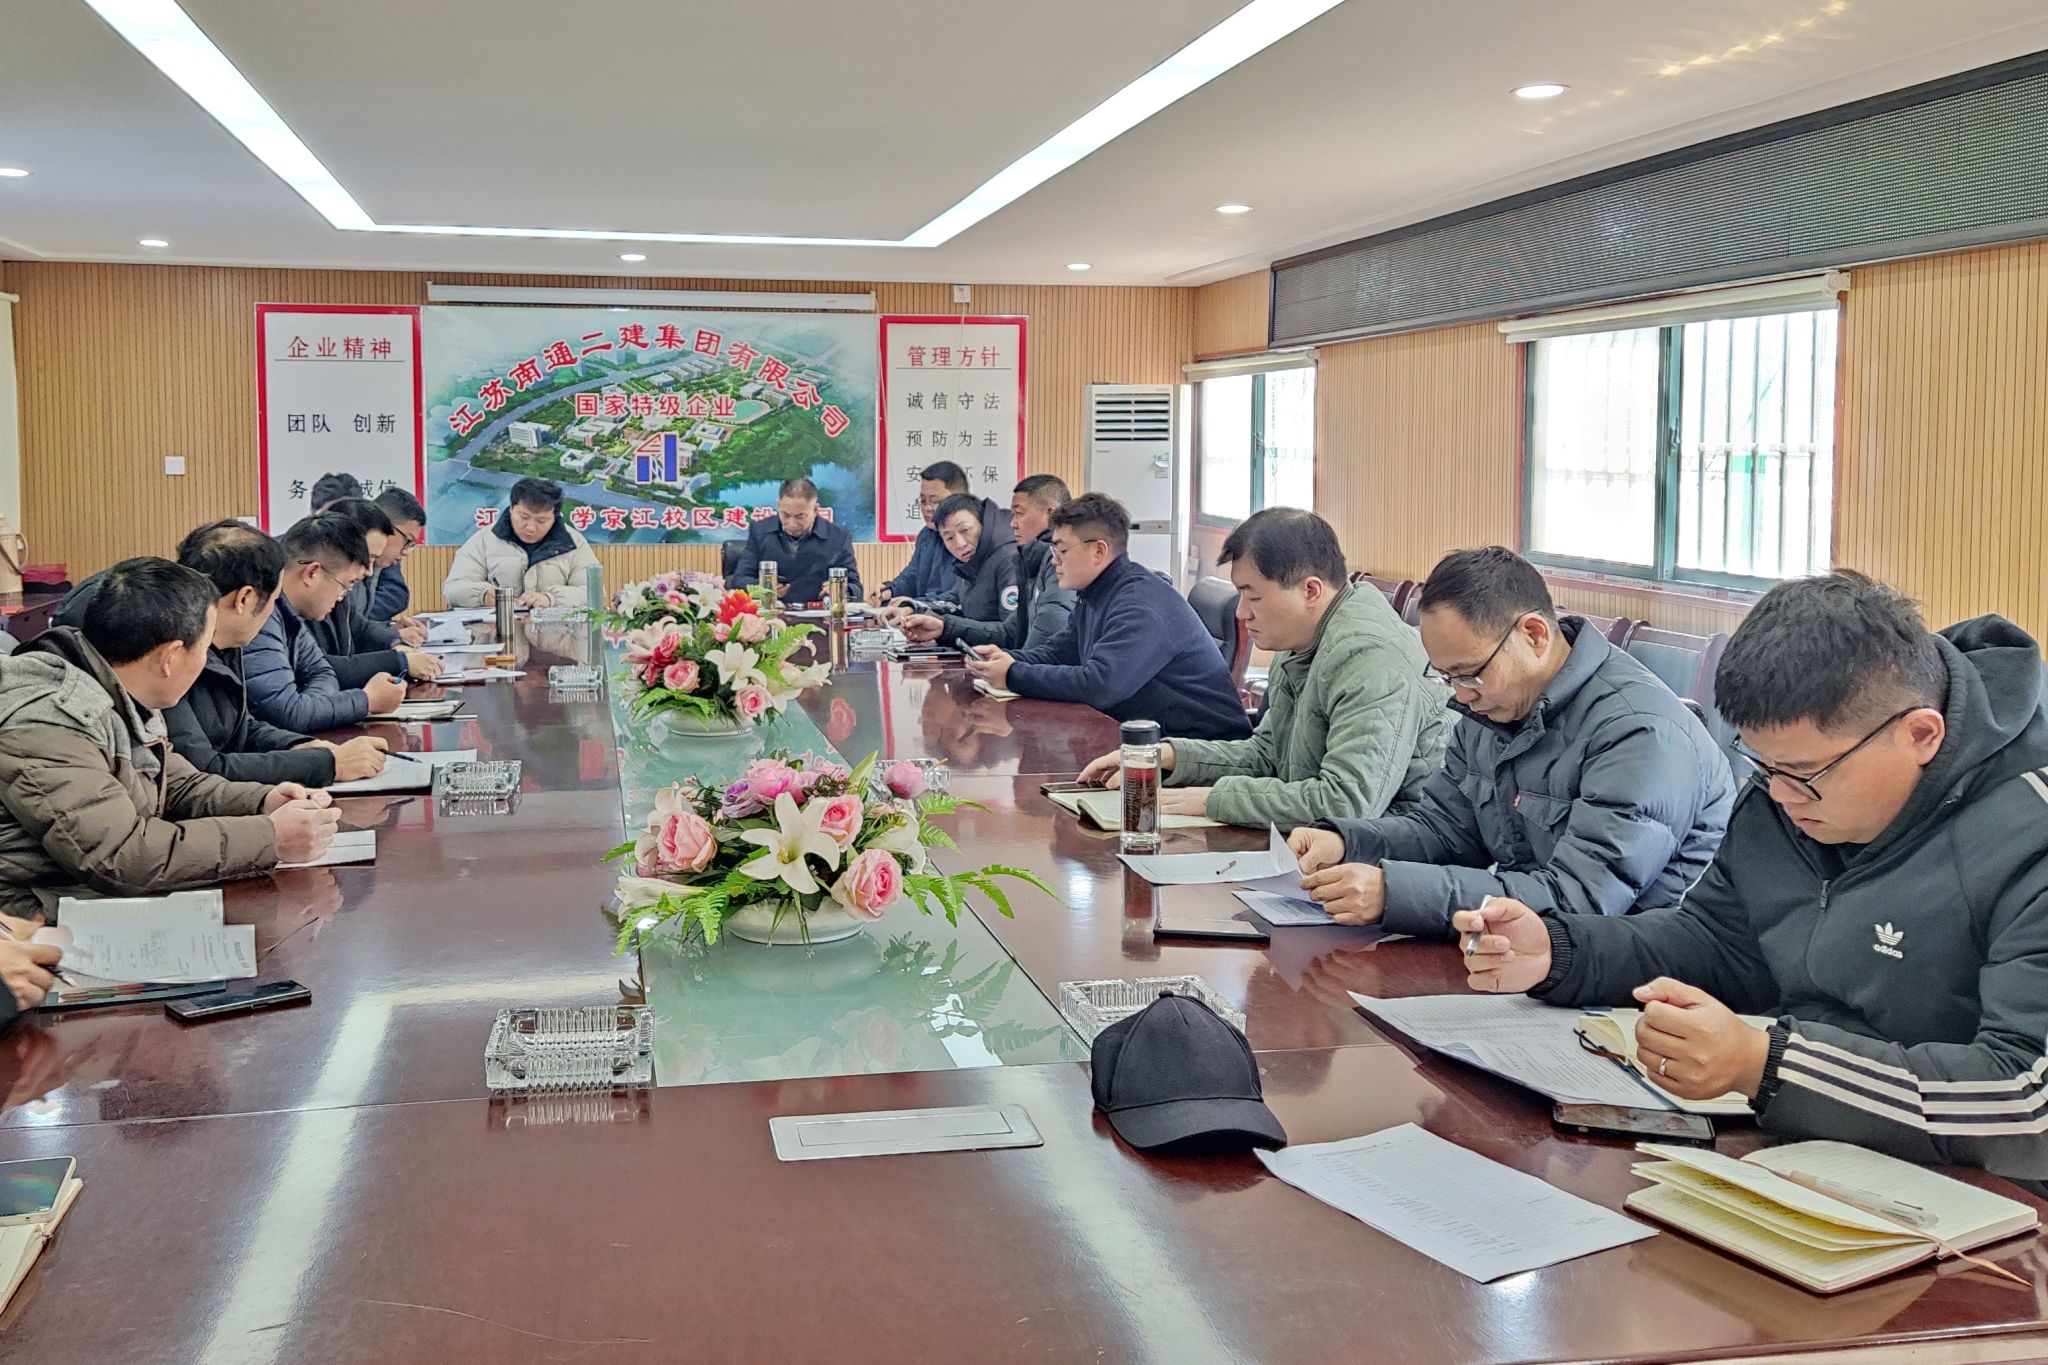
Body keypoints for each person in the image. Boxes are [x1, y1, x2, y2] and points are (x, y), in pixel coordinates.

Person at [1459, 573, 2048, 1184]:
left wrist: (1767, 1065)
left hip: (1991, 1199)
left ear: (1920, 735)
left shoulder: (2028, 833)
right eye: (1764, 767)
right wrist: (1561, 949)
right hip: (1810, 1150)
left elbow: (2028, 1102)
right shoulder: (1784, 793)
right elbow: (1720, 943)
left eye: (1805, 774)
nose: (1783, 797)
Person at [1288, 546, 1733, 938]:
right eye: (1447, 677)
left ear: (1534, 635)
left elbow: (1577, 901)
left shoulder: (1639, 733)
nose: (1461, 695)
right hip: (1531, 958)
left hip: (1637, 979)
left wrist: (1394, 893)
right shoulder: (1494, 707)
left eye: (1469, 674)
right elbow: (1444, 831)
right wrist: (1347, 843)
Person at [0, 557, 340, 919]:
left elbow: (176, 784)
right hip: (31, 921)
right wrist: (270, 838)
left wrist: (263, 801)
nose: (207, 660)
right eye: (205, 648)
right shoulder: (50, 721)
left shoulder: (116, 687)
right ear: (170, 657)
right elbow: (121, 857)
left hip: (82, 899)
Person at [1077, 508, 1449, 829]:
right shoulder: (1302, 637)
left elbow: (1346, 803)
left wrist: (1211, 800)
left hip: (1392, 852)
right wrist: (1170, 757)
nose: (1242, 613)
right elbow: (1268, 755)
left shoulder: (1370, 658)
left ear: (1310, 591)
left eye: (1252, 596)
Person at [965, 493, 1253, 742]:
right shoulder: (1097, 591)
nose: (1054, 560)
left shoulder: (1139, 604)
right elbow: (1062, 652)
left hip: (1199, 752)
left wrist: (1012, 674)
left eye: (1061, 550)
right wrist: (1006, 658)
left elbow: (1101, 685)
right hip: (1143, 740)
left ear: (1098, 551)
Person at [168, 521, 389, 786]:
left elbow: (243, 729)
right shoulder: (172, 656)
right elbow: (203, 770)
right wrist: (327, 764)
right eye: (273, 601)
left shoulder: (226, 644)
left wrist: (303, 746)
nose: (272, 612)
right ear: (244, 599)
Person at [245, 515, 408, 733]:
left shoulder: (291, 614)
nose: (342, 597)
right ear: (312, 573)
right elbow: (289, 714)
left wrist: (313, 707)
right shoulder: (261, 616)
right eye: (346, 586)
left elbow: (323, 671)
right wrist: (367, 700)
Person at [899, 474, 1076, 652]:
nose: (1013, 524)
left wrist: (1013, 665)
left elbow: (1045, 648)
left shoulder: (1024, 558)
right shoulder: (1030, 558)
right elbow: (1011, 632)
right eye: (949, 537)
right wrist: (941, 627)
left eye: (1019, 514)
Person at [316, 498, 441, 682]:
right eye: (367, 558)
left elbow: (359, 626)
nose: (368, 571)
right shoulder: (294, 602)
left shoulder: (339, 590)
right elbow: (318, 668)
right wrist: (398, 662)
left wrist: (394, 643)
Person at [443, 477, 600, 610]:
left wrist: (550, 598)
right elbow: (453, 588)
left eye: (541, 521)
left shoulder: (574, 542)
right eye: (524, 517)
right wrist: (482, 595)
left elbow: (594, 593)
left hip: (556, 635)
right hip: (498, 633)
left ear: (555, 516)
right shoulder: (485, 539)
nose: (531, 527)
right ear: (511, 508)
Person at [725, 476, 862, 604]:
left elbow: (856, 587)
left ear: (815, 510)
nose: (792, 524)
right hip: (772, 613)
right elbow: (739, 579)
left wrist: (842, 590)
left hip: (818, 614)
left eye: (800, 516)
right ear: (778, 505)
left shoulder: (838, 537)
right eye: (785, 515)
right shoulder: (760, 531)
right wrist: (762, 587)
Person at [873, 461, 974, 605]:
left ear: (959, 500)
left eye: (935, 502)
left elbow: (958, 596)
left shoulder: (972, 539)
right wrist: (889, 591)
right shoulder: (927, 535)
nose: (927, 508)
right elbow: (912, 577)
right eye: (923, 501)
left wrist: (917, 605)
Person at [921, 493, 1019, 626]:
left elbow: (1012, 631)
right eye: (949, 538)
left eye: (965, 530)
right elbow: (955, 601)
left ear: (983, 523)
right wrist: (914, 607)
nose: (960, 544)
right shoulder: (972, 561)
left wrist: (947, 629)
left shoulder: (1009, 559)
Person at [369, 486, 427, 626]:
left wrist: (390, 631)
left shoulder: (384, 559)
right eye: (408, 541)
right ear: (384, 525)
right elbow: (349, 623)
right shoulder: (344, 557)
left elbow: (397, 595)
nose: (406, 552)